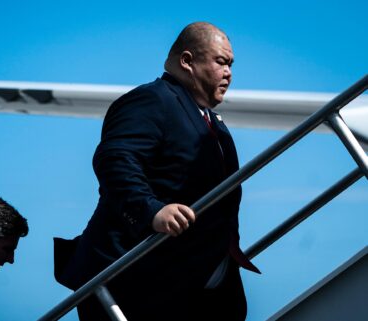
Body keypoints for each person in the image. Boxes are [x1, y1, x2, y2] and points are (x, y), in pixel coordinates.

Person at [54, 22, 260, 320]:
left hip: (200, 282)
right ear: (186, 61)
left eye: (231, 65)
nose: (229, 72)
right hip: (141, 284)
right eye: (220, 61)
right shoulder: (152, 100)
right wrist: (152, 211)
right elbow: (115, 160)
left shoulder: (215, 124)